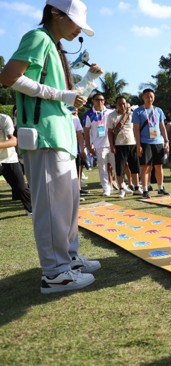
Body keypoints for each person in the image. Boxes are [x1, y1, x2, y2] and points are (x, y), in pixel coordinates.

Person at [0, 0, 101, 294]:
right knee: (52, 207)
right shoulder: (38, 37)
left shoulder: (53, 46)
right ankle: (55, 272)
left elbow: (67, 96)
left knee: (68, 205)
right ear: (56, 14)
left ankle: (68, 260)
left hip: (60, 134)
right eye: (75, 22)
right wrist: (61, 95)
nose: (77, 30)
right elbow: (8, 76)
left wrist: (86, 83)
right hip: (44, 134)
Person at [132, 88, 170, 199]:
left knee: (159, 166)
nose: (149, 99)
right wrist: (138, 145)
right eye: (147, 96)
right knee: (146, 167)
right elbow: (136, 130)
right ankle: (145, 189)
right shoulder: (138, 111)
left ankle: (160, 188)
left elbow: (162, 127)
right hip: (145, 142)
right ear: (143, 97)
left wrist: (166, 141)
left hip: (158, 142)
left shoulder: (158, 110)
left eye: (151, 96)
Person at [107, 95, 140, 198]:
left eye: (124, 103)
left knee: (134, 167)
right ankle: (121, 188)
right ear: (116, 104)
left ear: (127, 104)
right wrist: (112, 145)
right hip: (119, 145)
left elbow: (136, 130)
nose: (122, 105)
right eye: (120, 103)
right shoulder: (111, 115)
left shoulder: (132, 114)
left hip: (132, 143)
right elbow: (110, 132)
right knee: (119, 168)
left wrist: (138, 144)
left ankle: (136, 187)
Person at [84, 92, 116, 196]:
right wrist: (89, 147)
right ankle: (106, 188)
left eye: (102, 100)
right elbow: (86, 132)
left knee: (116, 166)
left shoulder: (111, 112)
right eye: (97, 99)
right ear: (93, 101)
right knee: (102, 168)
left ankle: (121, 186)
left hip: (111, 144)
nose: (100, 102)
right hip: (99, 146)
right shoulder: (89, 114)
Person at [0, 113, 32, 214]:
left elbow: (13, 141)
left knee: (21, 188)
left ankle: (31, 209)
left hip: (8, 158)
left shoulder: (4, 119)